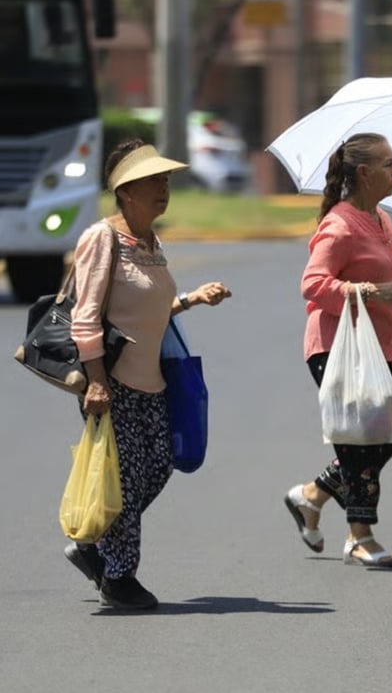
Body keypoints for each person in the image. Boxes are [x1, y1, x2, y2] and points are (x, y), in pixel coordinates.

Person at [64, 138, 232, 609]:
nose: (163, 188)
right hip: (112, 384)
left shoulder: (151, 243)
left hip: (153, 382)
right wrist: (97, 380)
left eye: (165, 180)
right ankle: (119, 577)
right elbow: (86, 316)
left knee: (158, 468)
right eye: (152, 180)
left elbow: (148, 312)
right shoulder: (103, 238)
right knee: (127, 478)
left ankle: (93, 545)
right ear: (125, 190)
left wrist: (192, 299)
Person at [283, 132, 392, 567]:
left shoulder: (382, 220)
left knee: (388, 436)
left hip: (377, 344)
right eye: (388, 164)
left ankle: (311, 496)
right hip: (337, 345)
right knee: (360, 442)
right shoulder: (340, 224)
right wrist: (369, 290)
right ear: (364, 173)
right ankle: (359, 535)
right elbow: (312, 284)